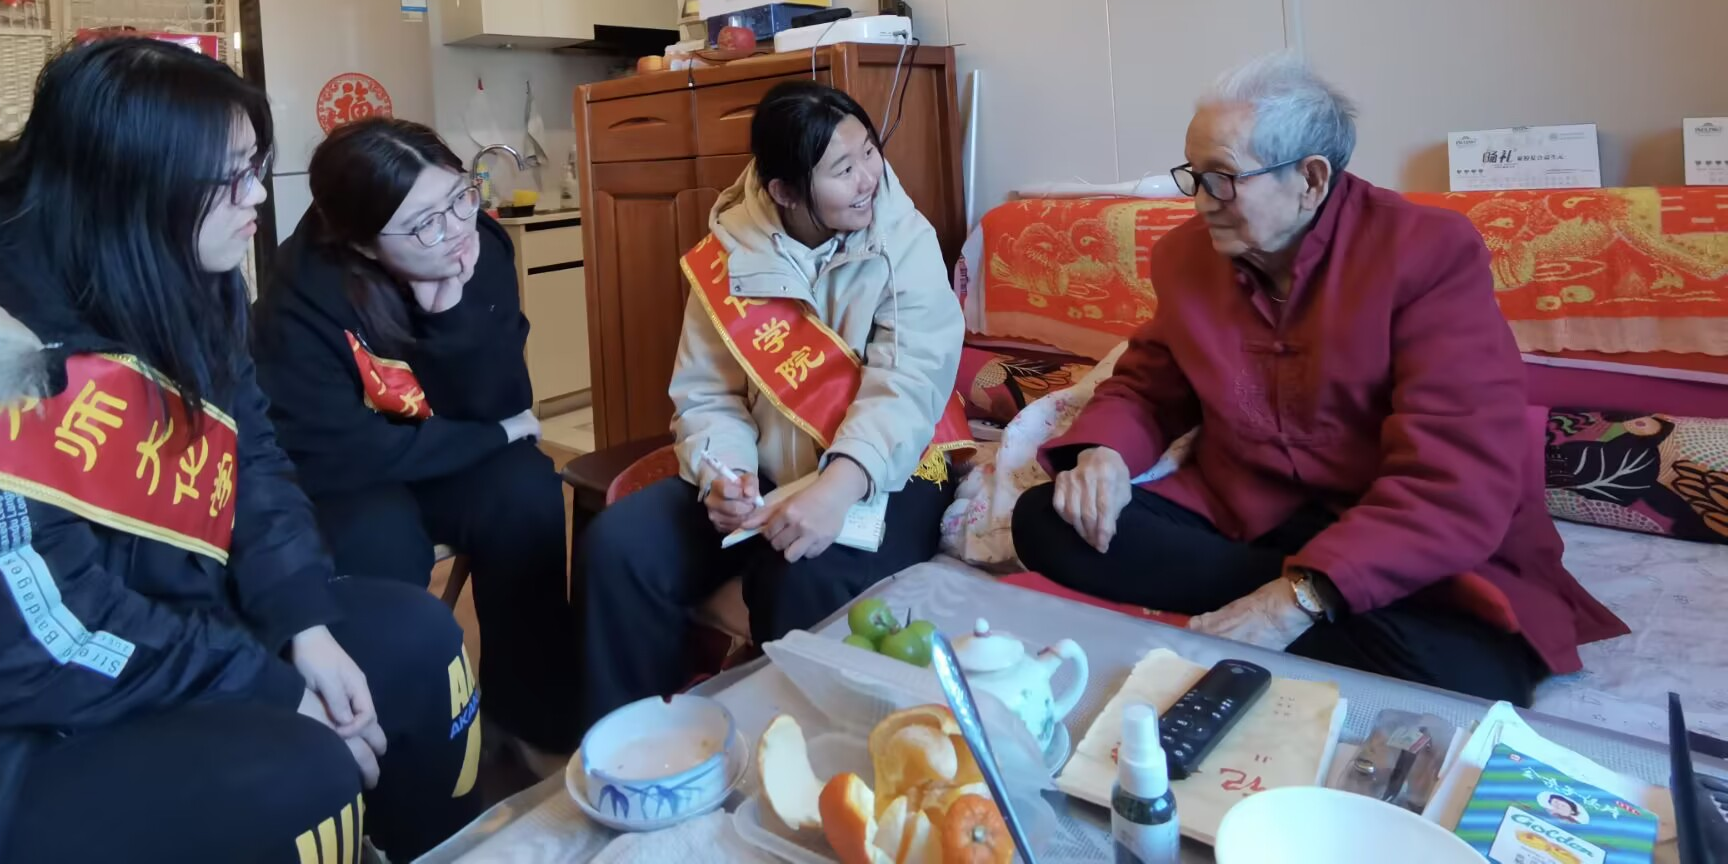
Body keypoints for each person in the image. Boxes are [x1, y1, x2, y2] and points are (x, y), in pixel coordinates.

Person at [0, 39, 481, 863]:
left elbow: (249, 456)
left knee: (416, 644)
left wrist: (301, 620)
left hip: (173, 619)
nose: (258, 196)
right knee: (304, 772)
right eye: (232, 177)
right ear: (135, 190)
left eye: (257, 167)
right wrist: (270, 687)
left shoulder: (181, 259)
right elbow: (32, 644)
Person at [1011, 53, 1625, 704]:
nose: (1200, 201)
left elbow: (1457, 477)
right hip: (1252, 517)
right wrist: (1104, 453)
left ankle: (1317, 592)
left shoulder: (1428, 252)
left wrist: (1297, 598)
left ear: (1309, 178)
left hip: (1395, 527)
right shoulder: (1186, 256)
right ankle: (1317, 598)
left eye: (1222, 179)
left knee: (1469, 674)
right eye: (1193, 176)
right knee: (1048, 524)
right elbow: (1149, 383)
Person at [577, 81, 969, 725]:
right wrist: (723, 475)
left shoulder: (904, 238)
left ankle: (782, 751)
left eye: (869, 152)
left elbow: (910, 381)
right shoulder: (730, 253)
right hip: (765, 469)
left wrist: (837, 488)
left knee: (800, 576)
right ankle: (644, 745)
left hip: (886, 469)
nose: (869, 178)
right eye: (843, 169)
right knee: (618, 546)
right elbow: (707, 392)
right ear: (784, 191)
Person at [251, 117, 577, 763]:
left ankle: (530, 716)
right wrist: (492, 435)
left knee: (527, 494)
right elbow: (343, 451)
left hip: (443, 450)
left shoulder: (477, 247)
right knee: (379, 539)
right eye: (426, 223)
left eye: (460, 197)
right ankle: (408, 740)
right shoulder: (301, 298)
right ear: (362, 243)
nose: (455, 228)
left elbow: (503, 402)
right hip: (352, 475)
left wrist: (453, 316)